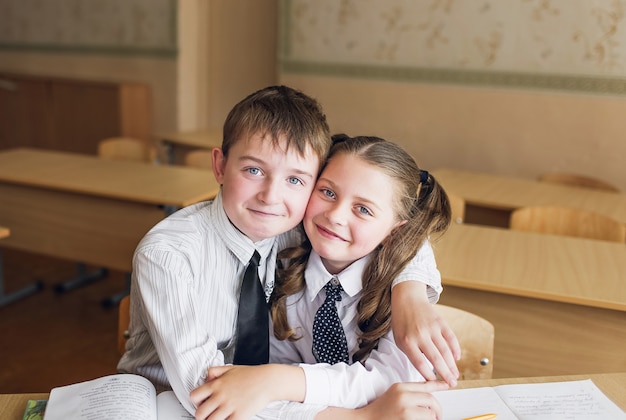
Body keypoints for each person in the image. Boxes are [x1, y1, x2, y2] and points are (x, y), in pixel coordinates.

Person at [117, 86, 459, 415]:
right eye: (253, 170)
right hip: (170, 404)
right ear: (220, 167)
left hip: (270, 398)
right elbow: (207, 394)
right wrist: (354, 419)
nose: (271, 196)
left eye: (295, 180)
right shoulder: (172, 254)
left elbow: (399, 227)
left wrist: (410, 291)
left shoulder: (300, 225)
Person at [191, 135, 453, 419]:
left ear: (395, 231)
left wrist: (275, 380)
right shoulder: (283, 249)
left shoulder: (398, 294)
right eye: (327, 192)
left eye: (363, 209)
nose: (335, 216)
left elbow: (388, 382)